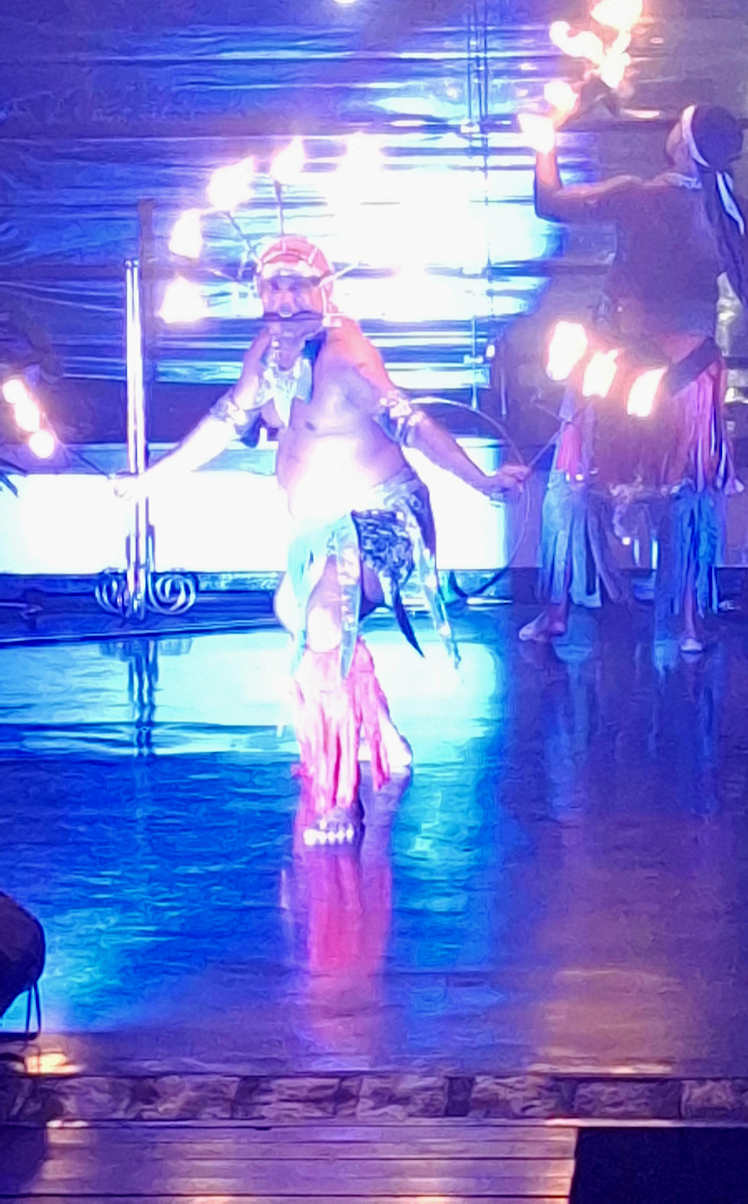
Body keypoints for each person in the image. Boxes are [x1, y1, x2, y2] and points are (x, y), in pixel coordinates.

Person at [116, 234, 526, 840]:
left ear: (325, 291)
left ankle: (339, 795)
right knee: (294, 611)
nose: (283, 301)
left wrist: (480, 479)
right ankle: (383, 734)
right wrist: (152, 480)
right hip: (321, 526)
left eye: (297, 287)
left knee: (327, 622)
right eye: (272, 287)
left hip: (386, 519)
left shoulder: (344, 358)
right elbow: (227, 420)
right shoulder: (267, 352)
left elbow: (411, 424)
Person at [520, 103, 746, 650]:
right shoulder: (727, 212)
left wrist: (544, 143)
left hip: (617, 361)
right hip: (689, 371)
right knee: (689, 491)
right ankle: (688, 624)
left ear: (681, 142)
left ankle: (556, 612)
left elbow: (550, 203)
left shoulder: (635, 194)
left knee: (575, 478)